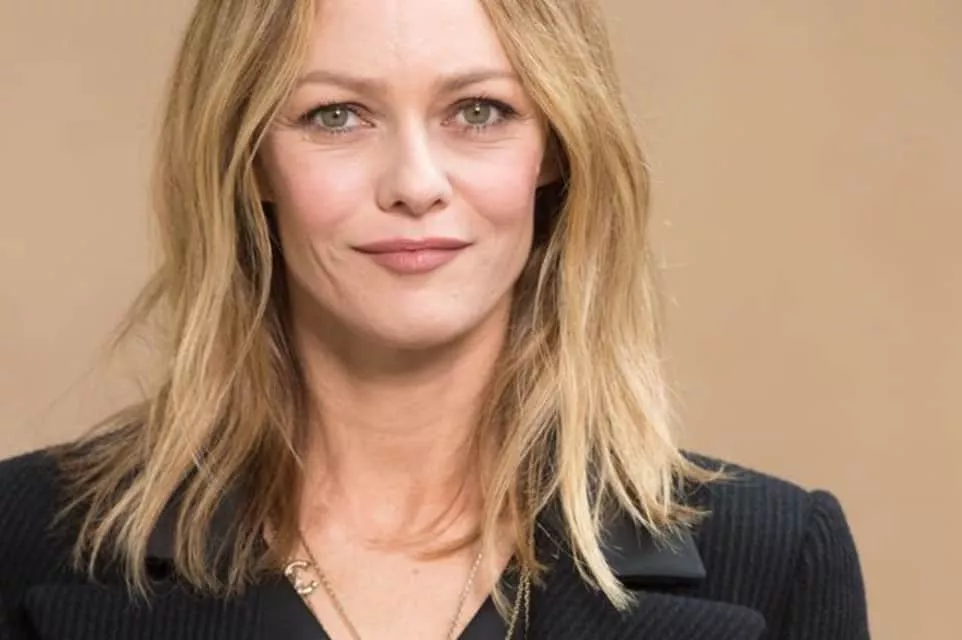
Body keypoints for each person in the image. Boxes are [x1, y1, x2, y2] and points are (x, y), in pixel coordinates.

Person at [0, 0, 870, 638]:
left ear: (557, 149)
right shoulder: (24, 540)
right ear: (249, 159)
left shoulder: (775, 561)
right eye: (336, 115)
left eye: (479, 112)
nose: (415, 184)